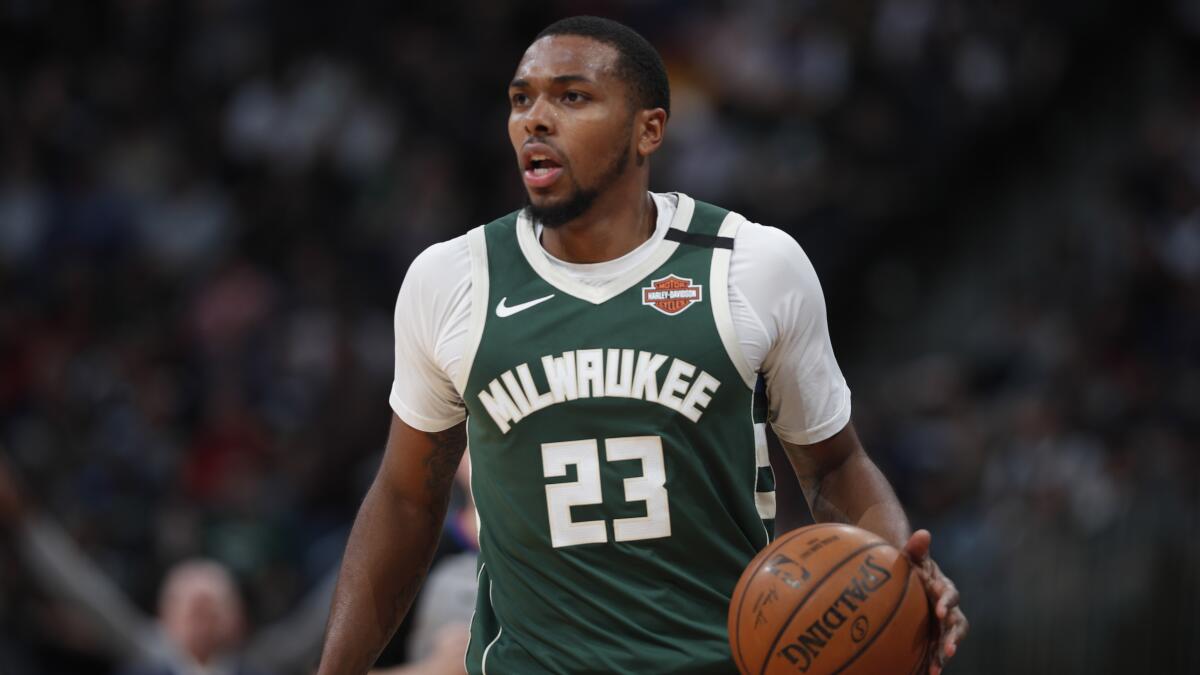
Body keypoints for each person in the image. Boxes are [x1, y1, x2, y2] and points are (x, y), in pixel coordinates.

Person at [317, 15, 968, 675]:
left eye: (572, 96)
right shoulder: (451, 277)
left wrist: (902, 580)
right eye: (521, 99)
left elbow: (832, 466)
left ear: (648, 129)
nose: (535, 119)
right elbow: (406, 498)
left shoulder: (752, 264)